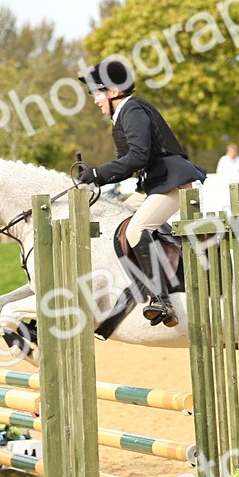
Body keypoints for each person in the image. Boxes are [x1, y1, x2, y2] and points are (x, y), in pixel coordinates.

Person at [75, 58, 207, 328]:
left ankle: (162, 300)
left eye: (97, 93)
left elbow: (137, 157)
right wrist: (95, 178)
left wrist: (98, 173)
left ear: (113, 91)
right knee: (114, 218)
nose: (95, 100)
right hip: (154, 185)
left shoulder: (132, 110)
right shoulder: (122, 115)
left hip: (172, 183)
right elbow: (128, 163)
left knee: (136, 230)